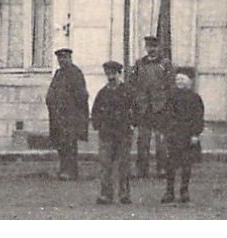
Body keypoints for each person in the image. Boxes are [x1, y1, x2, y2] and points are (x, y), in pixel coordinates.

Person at [89, 60, 136, 206]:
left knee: (124, 165)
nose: (111, 77)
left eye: (113, 74)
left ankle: (124, 194)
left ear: (119, 74)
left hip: (123, 133)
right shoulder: (102, 93)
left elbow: (136, 109)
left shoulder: (127, 91)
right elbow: (95, 112)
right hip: (107, 134)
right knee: (105, 165)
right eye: (108, 74)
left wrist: (132, 124)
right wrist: (99, 126)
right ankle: (105, 194)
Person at [129, 35, 173, 178]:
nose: (151, 50)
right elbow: (132, 84)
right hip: (143, 107)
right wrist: (136, 99)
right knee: (143, 139)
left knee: (161, 140)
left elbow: (170, 85)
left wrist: (166, 102)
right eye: (149, 47)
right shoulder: (139, 64)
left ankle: (162, 168)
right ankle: (142, 169)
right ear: (146, 48)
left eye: (154, 47)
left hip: (160, 106)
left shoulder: (165, 64)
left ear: (158, 47)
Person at [159, 67, 204, 205]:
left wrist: (195, 134)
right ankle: (169, 191)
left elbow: (198, 117)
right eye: (177, 79)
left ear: (189, 81)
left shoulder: (195, 98)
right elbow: (165, 116)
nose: (179, 82)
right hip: (173, 135)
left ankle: (184, 191)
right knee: (170, 165)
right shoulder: (170, 97)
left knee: (186, 165)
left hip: (188, 136)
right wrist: (164, 132)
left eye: (182, 79)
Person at [45, 46, 89, 180]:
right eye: (60, 58)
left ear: (70, 58)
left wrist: (76, 114)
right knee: (61, 144)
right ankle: (63, 169)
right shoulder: (58, 74)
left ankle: (71, 171)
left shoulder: (76, 73)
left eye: (64, 58)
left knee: (70, 144)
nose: (62, 61)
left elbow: (81, 96)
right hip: (57, 116)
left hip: (71, 117)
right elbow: (51, 92)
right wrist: (51, 103)